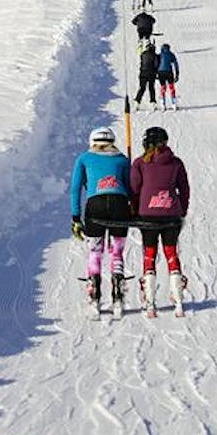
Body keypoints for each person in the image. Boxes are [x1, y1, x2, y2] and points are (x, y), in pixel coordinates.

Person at [70, 126, 133, 313]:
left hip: (94, 206)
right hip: (120, 205)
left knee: (95, 252)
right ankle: (118, 293)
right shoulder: (122, 159)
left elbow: (75, 188)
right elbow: (131, 187)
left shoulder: (84, 159)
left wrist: (76, 217)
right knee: (117, 251)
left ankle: (94, 294)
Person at [130, 126, 190, 316]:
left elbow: (134, 189)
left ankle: (149, 301)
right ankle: (178, 298)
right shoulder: (176, 163)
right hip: (171, 214)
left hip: (147, 215)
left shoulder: (140, 163)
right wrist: (182, 210)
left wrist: (134, 209)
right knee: (171, 252)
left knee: (150, 254)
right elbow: (184, 189)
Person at [134, 40, 158, 110]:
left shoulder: (143, 54)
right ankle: (153, 103)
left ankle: (137, 102)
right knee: (151, 88)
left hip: (143, 73)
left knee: (142, 88)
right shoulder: (154, 55)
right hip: (151, 74)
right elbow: (156, 65)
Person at [157, 43, 179, 109]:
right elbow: (176, 64)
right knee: (171, 87)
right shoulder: (171, 54)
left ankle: (163, 104)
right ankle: (173, 103)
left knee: (163, 87)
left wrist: (156, 73)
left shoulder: (160, 55)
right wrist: (177, 74)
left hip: (161, 72)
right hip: (169, 72)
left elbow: (156, 63)